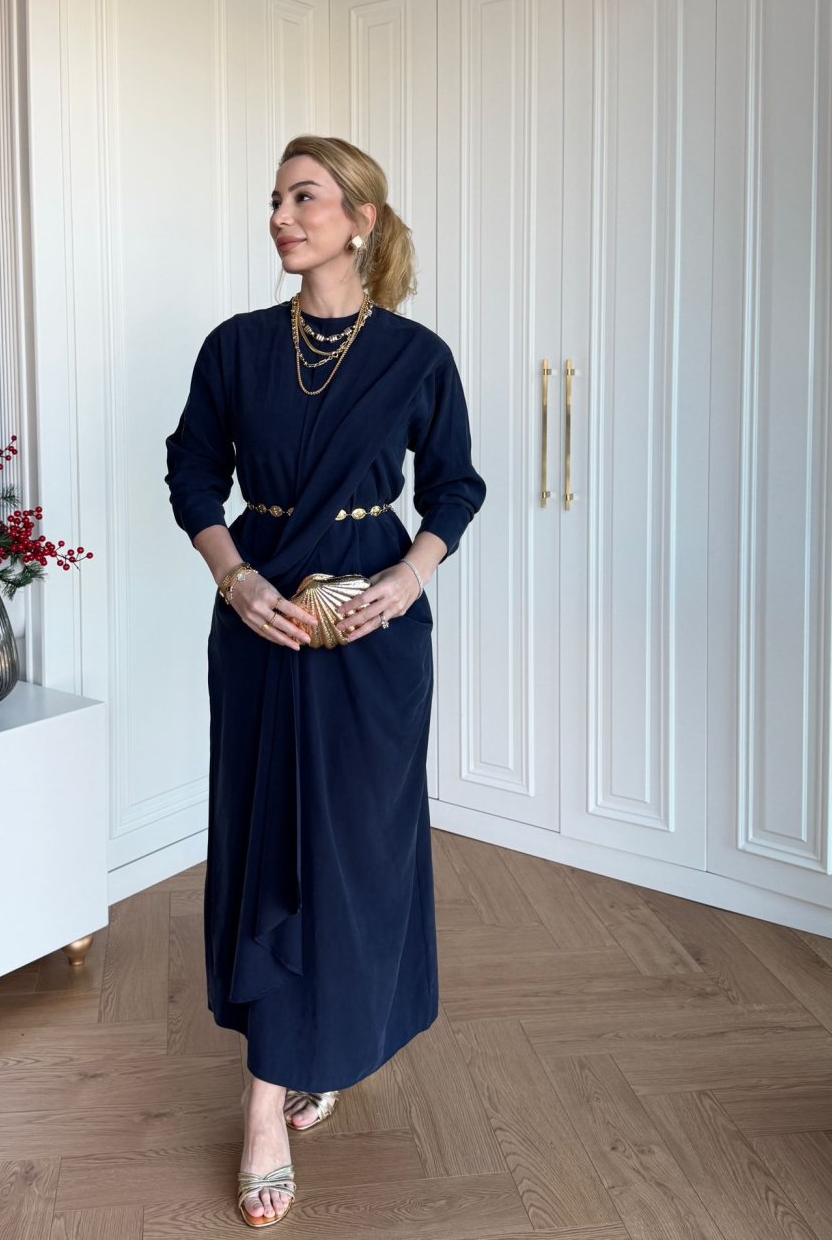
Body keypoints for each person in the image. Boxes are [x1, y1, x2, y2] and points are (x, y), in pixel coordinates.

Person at [164, 134, 486, 1228]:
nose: (281, 216)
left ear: (361, 218)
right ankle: (265, 1104)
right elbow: (192, 471)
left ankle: (328, 1042)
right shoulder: (235, 347)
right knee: (270, 848)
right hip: (261, 626)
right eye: (275, 199)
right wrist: (236, 577)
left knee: (353, 856)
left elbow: (454, 485)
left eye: (304, 197)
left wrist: (408, 574)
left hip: (373, 644)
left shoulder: (417, 355)